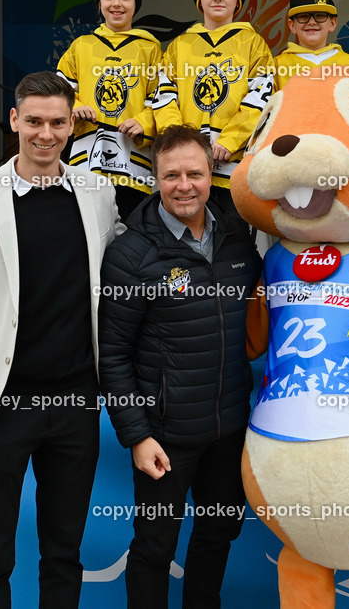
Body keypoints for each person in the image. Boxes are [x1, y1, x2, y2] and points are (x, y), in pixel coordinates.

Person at [0, 71, 122, 608]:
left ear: (72, 126)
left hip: (76, 400)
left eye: (58, 122)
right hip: (0, 403)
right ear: (14, 120)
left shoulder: (98, 194)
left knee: (64, 552)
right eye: (34, 121)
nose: (46, 133)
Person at [97, 124, 261, 608]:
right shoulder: (130, 254)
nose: (184, 185)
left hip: (229, 428)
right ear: (154, 178)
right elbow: (112, 354)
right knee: (154, 548)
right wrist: (137, 436)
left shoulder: (236, 238)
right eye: (172, 175)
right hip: (163, 437)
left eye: (195, 173)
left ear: (212, 175)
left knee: (218, 534)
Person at [155, 0, 274, 221]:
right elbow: (164, 96)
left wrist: (229, 142)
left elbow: (261, 99)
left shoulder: (253, 43)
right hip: (185, 168)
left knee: (231, 242)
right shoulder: (179, 45)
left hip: (231, 165)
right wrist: (179, 142)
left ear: (238, 0)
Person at [57, 0, 163, 219]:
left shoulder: (150, 49)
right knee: (88, 232)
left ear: (136, 3)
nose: (117, 4)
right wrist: (73, 105)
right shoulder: (81, 46)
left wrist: (143, 122)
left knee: (133, 234)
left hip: (134, 163)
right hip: (87, 161)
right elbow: (58, 92)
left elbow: (163, 97)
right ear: (99, 2)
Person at [274, 0, 349, 89]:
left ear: (332, 23)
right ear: (292, 25)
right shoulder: (278, 64)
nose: (312, 22)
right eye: (303, 16)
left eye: (320, 16)